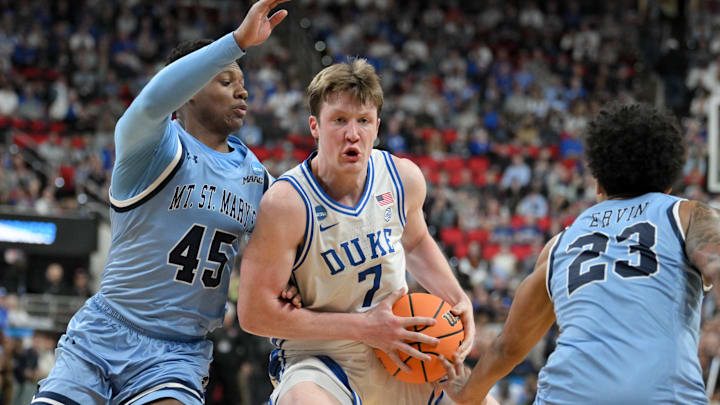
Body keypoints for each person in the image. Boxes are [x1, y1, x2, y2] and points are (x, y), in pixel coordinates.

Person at [31, 1, 295, 404]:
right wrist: (237, 41)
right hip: (104, 333)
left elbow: (300, 237)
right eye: (225, 81)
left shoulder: (258, 178)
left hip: (179, 353)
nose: (242, 90)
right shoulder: (153, 146)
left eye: (241, 82)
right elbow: (154, 101)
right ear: (188, 92)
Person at [236, 59, 491, 405]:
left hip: (401, 350)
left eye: (363, 121)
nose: (352, 133)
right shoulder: (288, 203)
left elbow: (415, 243)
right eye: (339, 120)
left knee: (482, 401)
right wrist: (364, 327)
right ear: (315, 126)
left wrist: (459, 299)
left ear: (377, 127)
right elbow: (254, 314)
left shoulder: (402, 178)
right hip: (321, 360)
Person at [439, 103, 715, 404]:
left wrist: (468, 394)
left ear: (597, 182)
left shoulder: (560, 244)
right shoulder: (689, 215)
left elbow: (508, 347)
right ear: (670, 183)